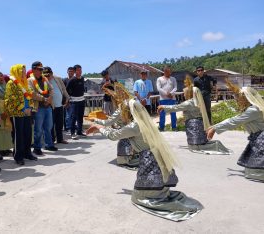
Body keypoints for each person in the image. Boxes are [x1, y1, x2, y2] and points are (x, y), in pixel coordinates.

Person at [86, 83, 202, 221]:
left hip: (149, 159)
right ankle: (159, 192)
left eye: (121, 112)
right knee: (153, 189)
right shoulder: (141, 122)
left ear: (126, 113)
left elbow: (113, 135)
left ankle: (159, 196)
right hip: (156, 155)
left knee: (139, 198)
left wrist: (98, 127)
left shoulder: (133, 126)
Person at [158, 76, 231, 155]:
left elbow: (176, 107)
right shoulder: (197, 102)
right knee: (198, 143)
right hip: (199, 126)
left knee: (195, 147)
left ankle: (205, 145)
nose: (184, 95)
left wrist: (163, 107)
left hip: (194, 127)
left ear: (189, 93)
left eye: (185, 93)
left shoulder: (189, 103)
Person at [207, 82, 264, 182]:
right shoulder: (251, 109)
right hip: (258, 139)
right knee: (251, 170)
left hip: (261, 140)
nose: (237, 99)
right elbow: (234, 118)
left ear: (246, 98)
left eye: (239, 97)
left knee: (253, 172)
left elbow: (234, 121)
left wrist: (214, 129)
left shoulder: (253, 110)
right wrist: (214, 127)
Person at [5, 64, 38, 165]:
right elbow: (11, 98)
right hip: (17, 113)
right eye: (21, 71)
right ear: (16, 72)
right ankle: (18, 156)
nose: (24, 73)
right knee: (18, 135)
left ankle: (27, 153)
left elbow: (30, 95)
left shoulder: (25, 83)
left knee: (28, 133)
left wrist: (30, 108)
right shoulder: (11, 83)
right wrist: (23, 108)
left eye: (24, 71)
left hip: (27, 112)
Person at [28, 61, 57, 155]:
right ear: (33, 69)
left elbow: (51, 89)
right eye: (39, 69)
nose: (41, 71)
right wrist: (43, 99)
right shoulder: (30, 80)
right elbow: (32, 93)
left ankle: (49, 144)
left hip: (48, 106)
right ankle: (37, 147)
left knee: (49, 127)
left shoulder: (45, 79)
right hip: (38, 108)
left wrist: (50, 98)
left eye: (42, 69)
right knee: (38, 129)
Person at [43, 67, 70, 144]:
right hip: (51, 105)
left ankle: (60, 139)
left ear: (52, 73)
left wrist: (68, 98)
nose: (47, 77)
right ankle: (51, 140)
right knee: (50, 124)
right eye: (46, 75)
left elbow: (64, 89)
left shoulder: (57, 78)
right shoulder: (43, 80)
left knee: (60, 123)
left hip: (60, 105)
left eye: (49, 75)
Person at [0, 71, 13, 156]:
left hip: (7, 110)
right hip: (0, 111)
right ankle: (1, 149)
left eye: (1, 76)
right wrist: (0, 112)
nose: (1, 78)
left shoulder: (6, 86)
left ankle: (7, 148)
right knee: (0, 130)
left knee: (7, 129)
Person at [66, 64, 86, 139]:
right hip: (74, 102)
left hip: (82, 100)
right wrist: (68, 100)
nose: (80, 71)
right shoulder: (72, 80)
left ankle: (79, 132)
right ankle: (72, 133)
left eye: (80, 70)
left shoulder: (82, 78)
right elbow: (66, 90)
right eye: (78, 70)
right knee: (73, 117)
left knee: (80, 117)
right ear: (75, 71)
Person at [156, 66, 178, 131]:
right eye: (166, 71)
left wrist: (171, 94)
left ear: (170, 72)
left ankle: (174, 127)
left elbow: (175, 88)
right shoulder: (159, 79)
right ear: (164, 71)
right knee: (162, 113)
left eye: (169, 71)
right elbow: (159, 88)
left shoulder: (173, 79)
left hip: (172, 98)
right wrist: (166, 94)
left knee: (173, 113)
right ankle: (161, 127)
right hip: (163, 99)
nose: (168, 72)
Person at [63, 67, 74, 131]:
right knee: (67, 115)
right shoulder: (64, 80)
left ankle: (72, 127)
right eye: (69, 71)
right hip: (66, 100)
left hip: (74, 100)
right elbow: (63, 91)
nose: (71, 72)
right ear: (67, 72)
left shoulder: (75, 79)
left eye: (72, 71)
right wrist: (66, 101)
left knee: (73, 115)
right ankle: (67, 127)